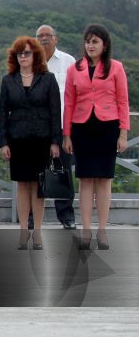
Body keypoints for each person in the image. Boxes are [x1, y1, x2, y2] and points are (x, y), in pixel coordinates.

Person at [62, 24, 130, 250]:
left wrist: (123, 133)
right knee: (85, 180)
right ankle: (86, 230)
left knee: (103, 180)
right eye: (88, 41)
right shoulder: (75, 68)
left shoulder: (116, 68)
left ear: (104, 44)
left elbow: (123, 101)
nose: (90, 45)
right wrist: (67, 135)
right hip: (82, 128)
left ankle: (102, 230)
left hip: (107, 127)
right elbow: (69, 103)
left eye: (95, 42)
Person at [0, 36, 62, 250]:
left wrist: (55, 142)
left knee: (38, 187)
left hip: (42, 140)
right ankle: (24, 231)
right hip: (17, 140)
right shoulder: (8, 80)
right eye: (19, 53)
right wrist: (3, 142)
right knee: (22, 185)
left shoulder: (48, 79)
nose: (23, 57)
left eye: (26, 53)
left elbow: (55, 112)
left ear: (35, 55)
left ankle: (38, 233)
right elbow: (3, 114)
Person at [36, 25, 77, 229]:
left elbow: (75, 95)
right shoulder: (30, 62)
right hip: (37, 128)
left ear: (56, 39)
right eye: (40, 36)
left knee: (63, 171)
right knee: (36, 171)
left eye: (48, 35)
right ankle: (32, 218)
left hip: (62, 127)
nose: (44, 39)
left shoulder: (69, 61)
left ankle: (66, 215)